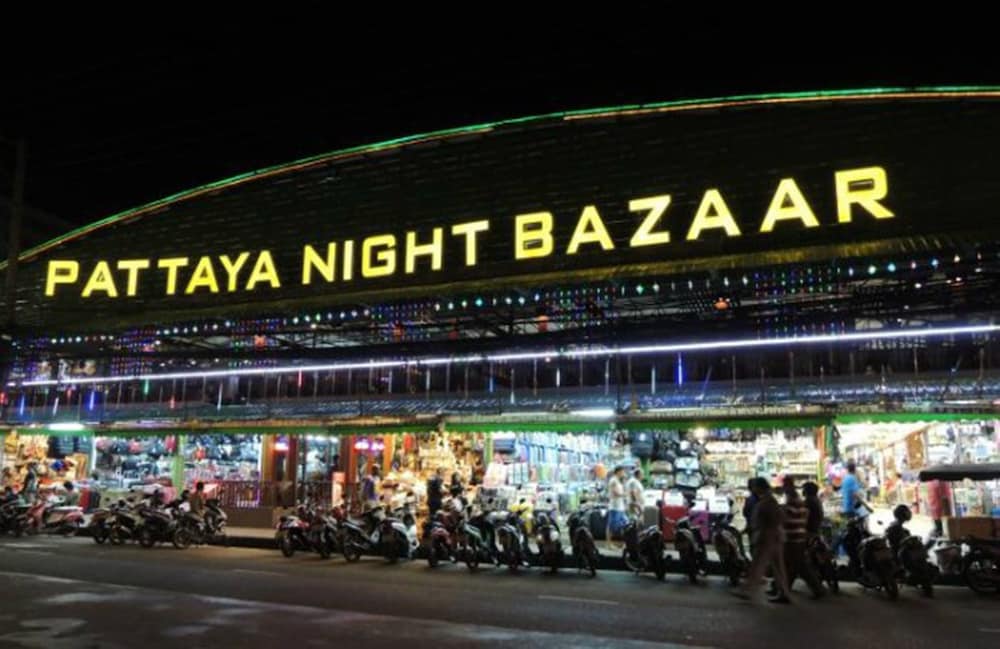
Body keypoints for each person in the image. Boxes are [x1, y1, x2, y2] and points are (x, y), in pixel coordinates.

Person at [738, 477, 789, 604]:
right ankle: (783, 592)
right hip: (772, 536)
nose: (753, 489)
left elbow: (777, 518)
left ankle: (748, 590)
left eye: (755, 486)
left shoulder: (767, 501)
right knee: (775, 566)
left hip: (767, 537)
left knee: (759, 564)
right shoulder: (768, 500)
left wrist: (764, 528)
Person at [781, 477, 824, 598]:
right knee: (796, 564)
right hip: (802, 533)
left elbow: (792, 517)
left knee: (796, 564)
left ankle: (783, 589)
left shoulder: (806, 501)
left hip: (798, 534)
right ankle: (783, 588)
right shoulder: (811, 501)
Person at [606, 466, 627, 547]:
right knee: (612, 526)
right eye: (623, 472)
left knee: (625, 524)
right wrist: (625, 494)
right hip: (615, 507)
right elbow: (616, 493)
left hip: (620, 507)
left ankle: (624, 543)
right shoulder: (613, 480)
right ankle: (609, 544)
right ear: (618, 472)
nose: (624, 473)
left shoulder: (618, 481)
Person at [742, 478, 759, 556]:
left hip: (752, 527)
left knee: (753, 547)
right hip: (759, 528)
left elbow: (745, 513)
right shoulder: (762, 499)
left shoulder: (749, 499)